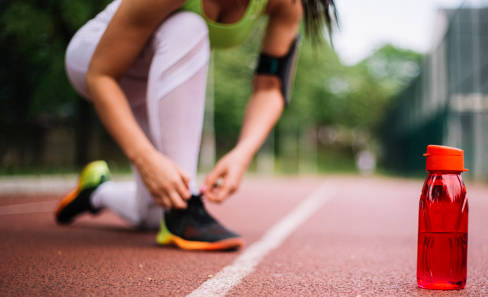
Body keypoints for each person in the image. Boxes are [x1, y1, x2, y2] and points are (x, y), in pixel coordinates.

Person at [55, 0, 337, 250]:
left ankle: (97, 192)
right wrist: (145, 158)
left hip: (155, 76)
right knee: (188, 26)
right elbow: (101, 75)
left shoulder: (286, 3)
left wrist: (242, 153)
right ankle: (186, 209)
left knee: (154, 213)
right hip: (95, 60)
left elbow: (269, 88)